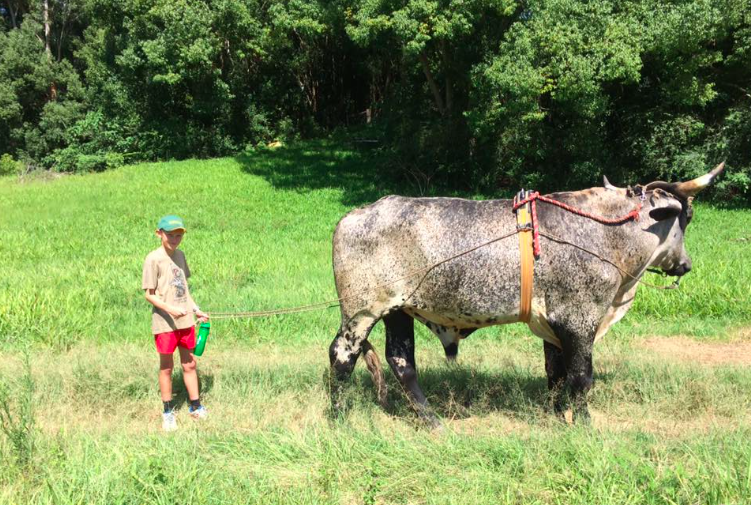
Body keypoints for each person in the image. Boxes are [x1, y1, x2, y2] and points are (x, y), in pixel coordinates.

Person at [142, 215, 209, 431]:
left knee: (189, 364)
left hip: (186, 321)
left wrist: (196, 310)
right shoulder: (153, 259)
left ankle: (195, 406)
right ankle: (168, 411)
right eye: (170, 234)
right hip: (165, 323)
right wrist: (170, 309)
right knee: (167, 367)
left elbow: (184, 290)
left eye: (178, 235)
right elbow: (149, 294)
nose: (174, 239)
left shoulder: (180, 256)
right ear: (158, 233)